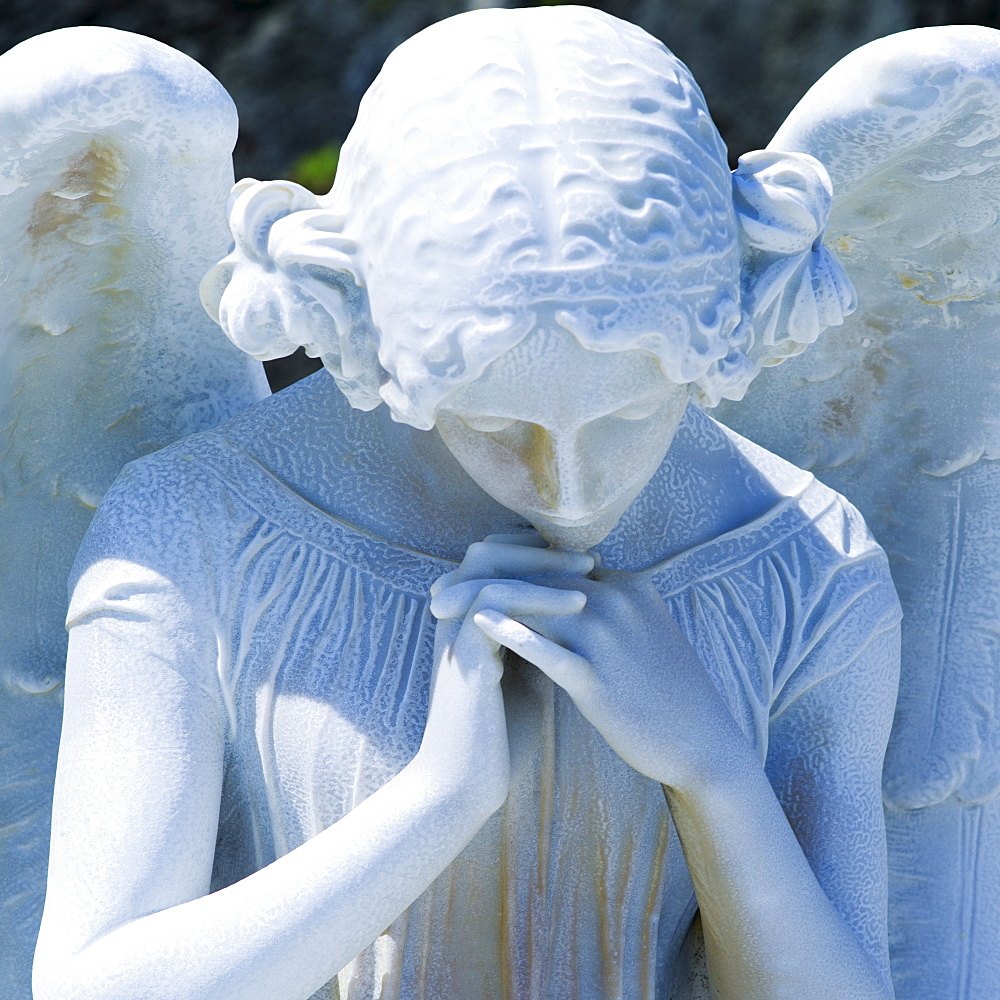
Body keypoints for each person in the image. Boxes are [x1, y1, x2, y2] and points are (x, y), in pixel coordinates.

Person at [33, 7, 900, 1000]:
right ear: (374, 338)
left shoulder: (804, 560)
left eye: (633, 411)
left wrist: (712, 774)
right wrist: (439, 800)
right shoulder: (195, 529)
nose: (568, 487)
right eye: (492, 422)